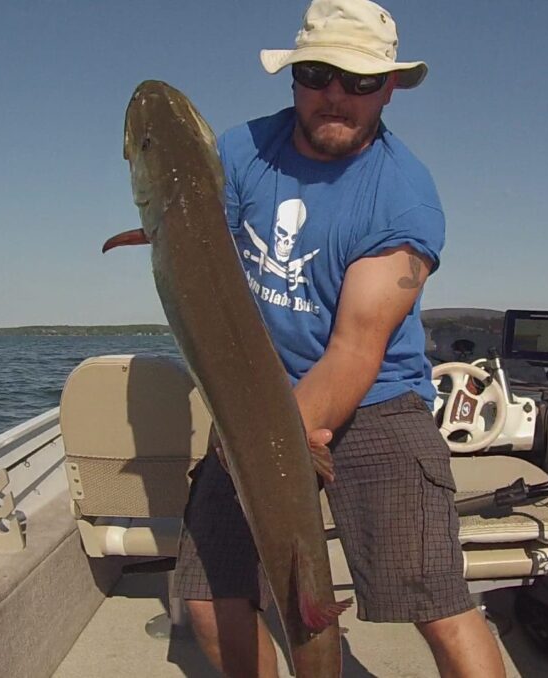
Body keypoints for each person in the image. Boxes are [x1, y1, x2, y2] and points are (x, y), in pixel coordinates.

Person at [172, 1, 506, 675]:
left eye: (359, 81)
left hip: (377, 400)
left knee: (436, 604)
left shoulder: (402, 197)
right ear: (294, 76)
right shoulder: (238, 153)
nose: (336, 95)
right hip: (254, 400)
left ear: (389, 87)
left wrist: (273, 450)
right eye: (320, 73)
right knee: (209, 600)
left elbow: (356, 351)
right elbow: (199, 255)